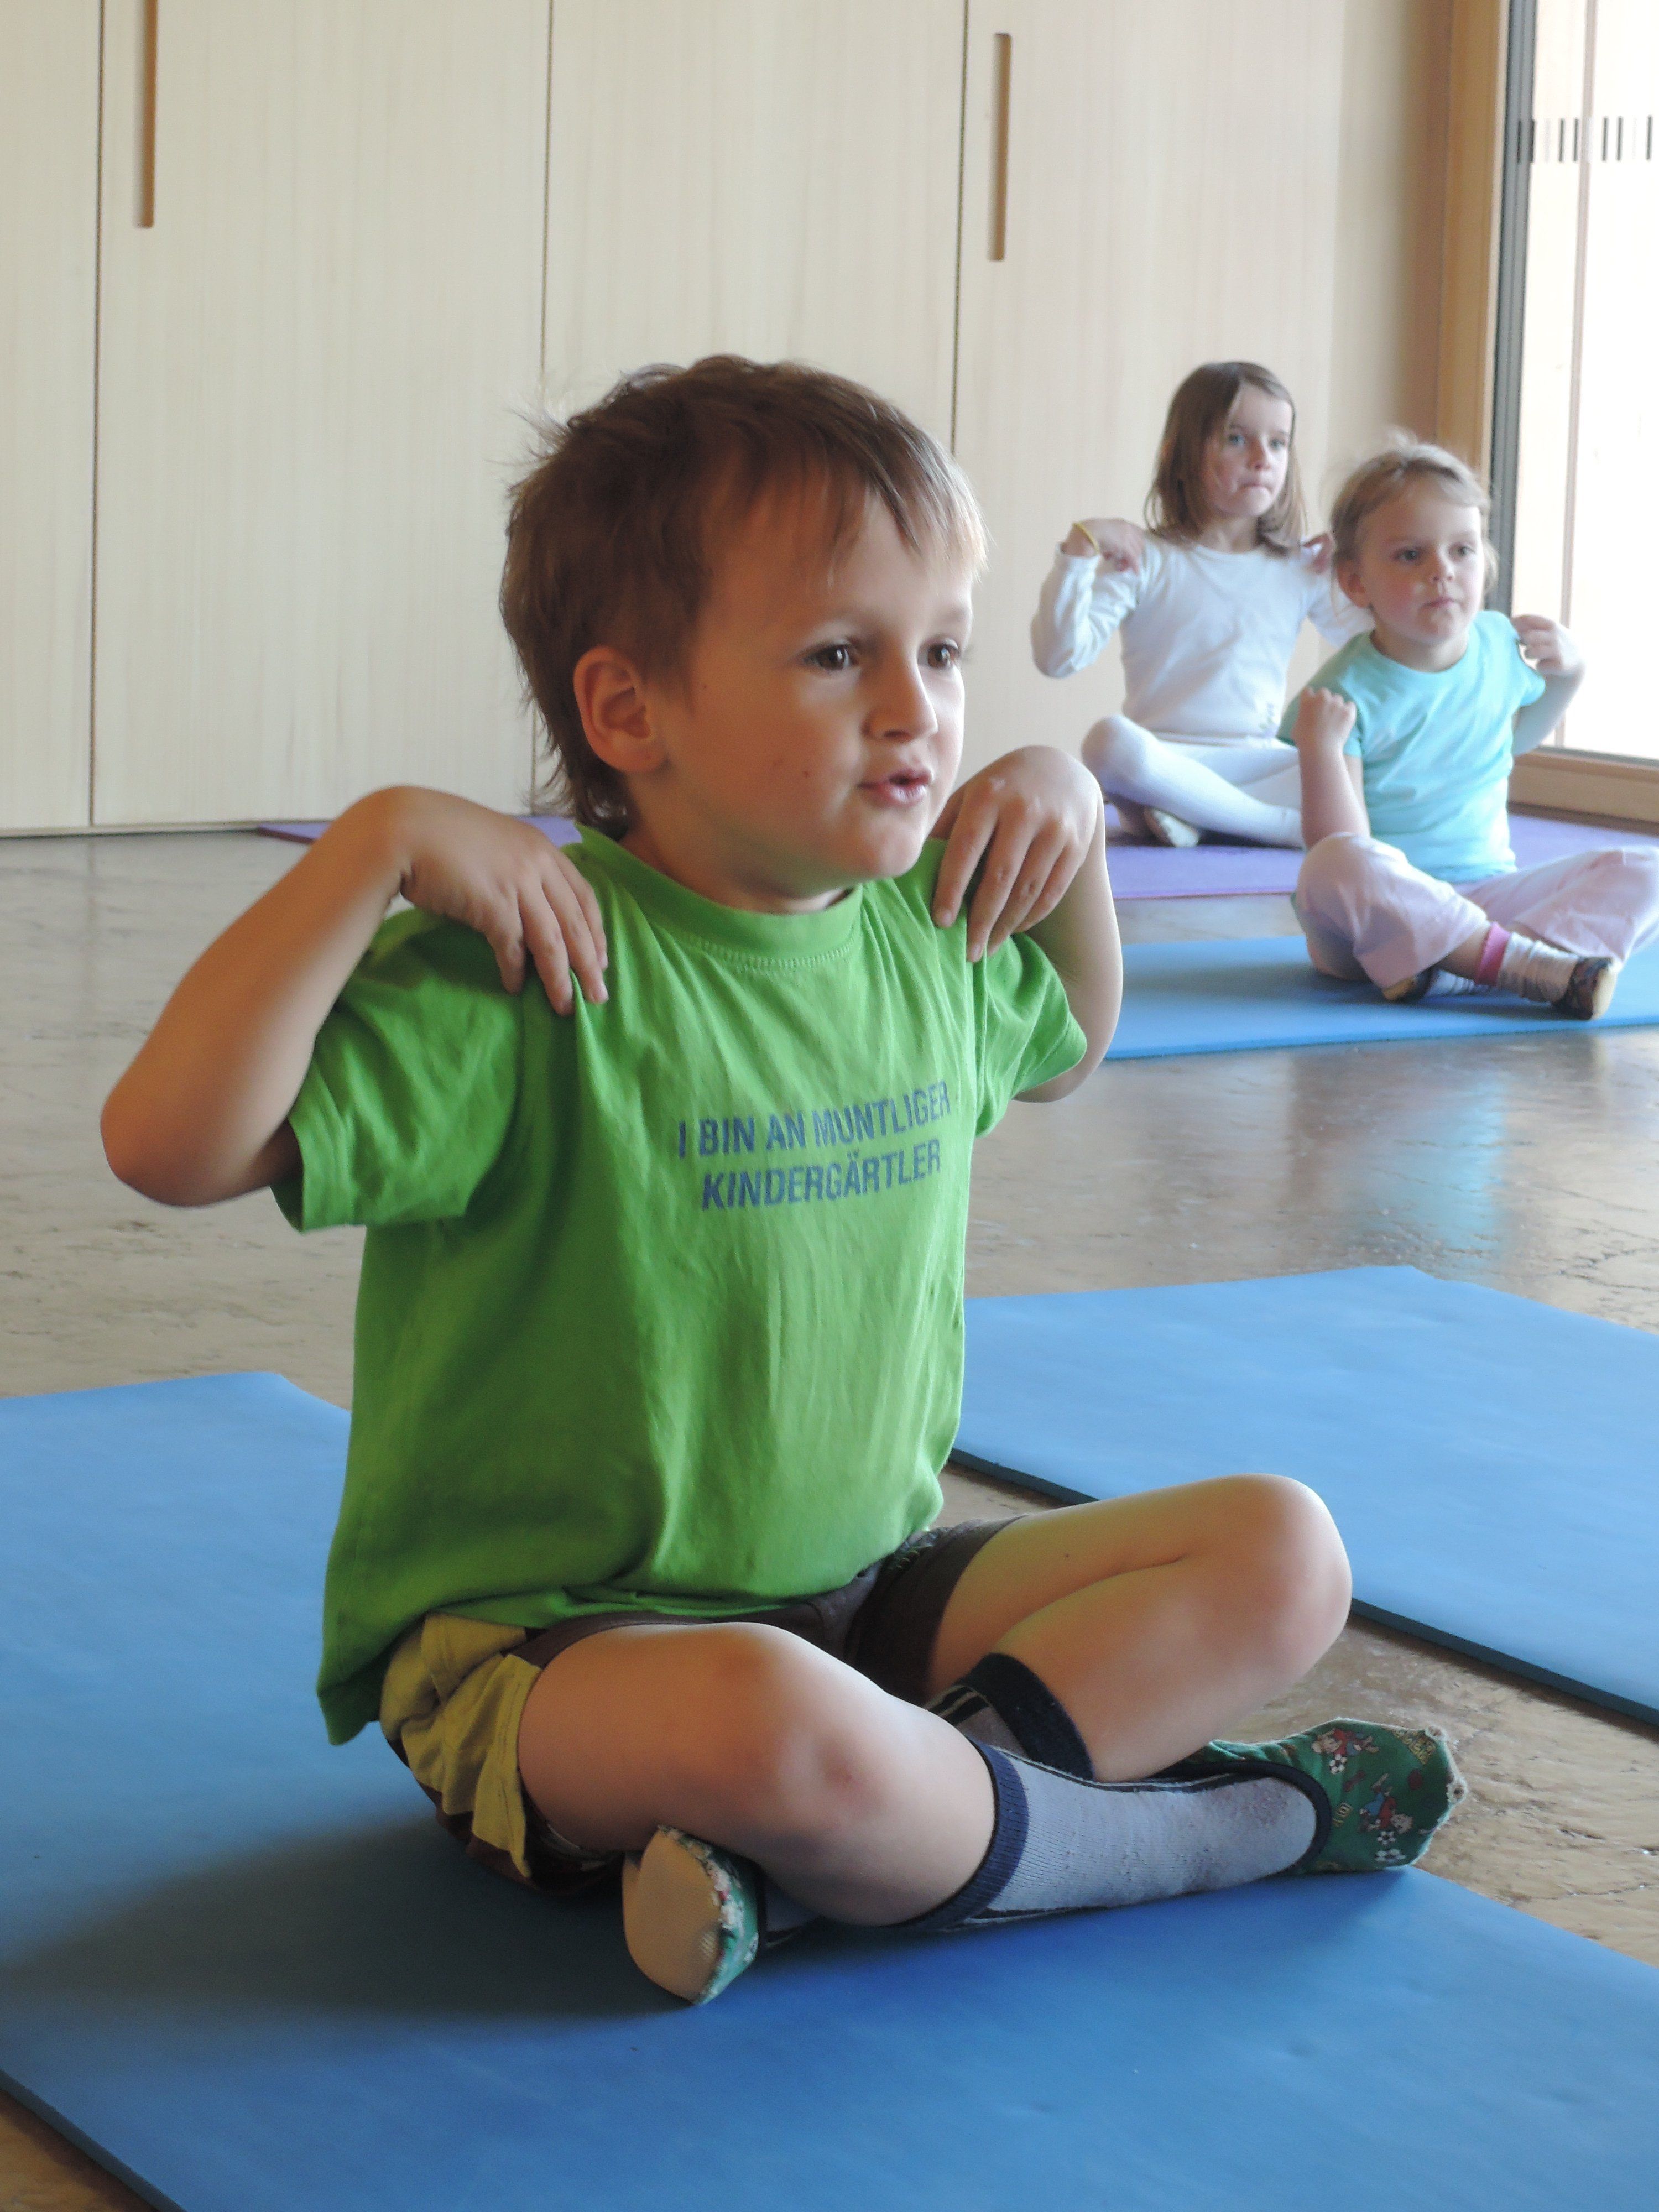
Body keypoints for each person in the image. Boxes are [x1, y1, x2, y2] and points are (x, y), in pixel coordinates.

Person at [102, 358, 1459, 2008]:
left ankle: (832, 1867)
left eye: (941, 650)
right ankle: (1179, 1836)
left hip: (870, 1602)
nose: (916, 706)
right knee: (773, 1715)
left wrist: (1067, 832)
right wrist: (370, 849)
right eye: (836, 654)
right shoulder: (532, 963)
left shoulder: (919, 929)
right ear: (628, 713)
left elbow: (1066, 1044)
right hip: (560, 1657)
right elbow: (167, 1142)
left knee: (1283, 1550)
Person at [1287, 437, 1659, 1016]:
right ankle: (1509, 965)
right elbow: (1343, 843)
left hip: (1490, 896)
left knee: (1648, 869)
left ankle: (1495, 965)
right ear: (1356, 582)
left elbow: (1514, 742)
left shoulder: (1496, 644)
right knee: (1331, 866)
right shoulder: (1343, 692)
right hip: (1377, 925)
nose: (1442, 571)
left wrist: (1571, 675)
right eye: (1411, 555)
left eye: (1461, 550)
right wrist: (1321, 750)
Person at [1031, 361, 1368, 849]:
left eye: (1278, 443)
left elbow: (1378, 646)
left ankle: (1191, 814)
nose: (1262, 458)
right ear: (1181, 454)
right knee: (1106, 743)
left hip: (1257, 762)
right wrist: (1080, 551)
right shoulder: (1144, 558)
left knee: (1339, 766)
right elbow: (1057, 657)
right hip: (1164, 756)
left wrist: (1357, 569)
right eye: (1236, 439)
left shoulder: (1301, 568)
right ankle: (1267, 827)